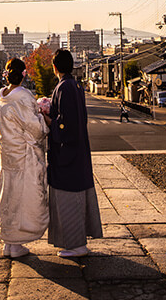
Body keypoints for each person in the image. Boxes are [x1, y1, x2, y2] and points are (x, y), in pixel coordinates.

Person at [42, 49, 102, 258]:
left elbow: (65, 126)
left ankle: (76, 245)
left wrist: (48, 118)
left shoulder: (64, 87)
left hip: (67, 154)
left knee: (69, 199)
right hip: (78, 152)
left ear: (55, 67)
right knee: (76, 197)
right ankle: (76, 242)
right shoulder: (75, 85)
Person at [0, 58, 48, 258]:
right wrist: (42, 113)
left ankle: (8, 241)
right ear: (23, 74)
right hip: (23, 155)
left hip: (6, 153)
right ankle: (15, 243)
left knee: (7, 195)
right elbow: (36, 129)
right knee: (24, 197)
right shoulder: (23, 96)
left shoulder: (1, 95)